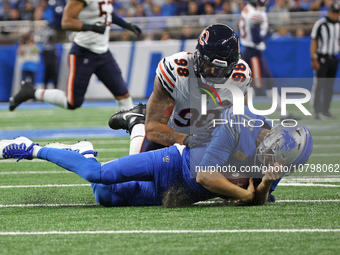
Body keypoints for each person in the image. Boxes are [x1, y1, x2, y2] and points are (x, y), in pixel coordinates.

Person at [0, 106, 314, 207]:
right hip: (174, 160)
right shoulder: (241, 124)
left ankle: (84, 150)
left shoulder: (276, 160)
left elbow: (257, 201)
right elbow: (207, 175)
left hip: (182, 192)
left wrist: (262, 186)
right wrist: (244, 193)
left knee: (105, 197)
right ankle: (31, 148)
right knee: (100, 175)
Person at [109, 24, 252, 155]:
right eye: (210, 67)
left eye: (223, 71)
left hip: (206, 138)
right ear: (198, 56)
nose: (215, 75)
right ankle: (137, 122)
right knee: (138, 179)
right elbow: (153, 128)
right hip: (170, 133)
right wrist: (187, 140)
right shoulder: (176, 70)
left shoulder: (241, 77)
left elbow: (239, 124)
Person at [9, 0, 142, 112]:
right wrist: (91, 27)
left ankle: (134, 133)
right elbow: (66, 22)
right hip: (83, 52)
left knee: (123, 95)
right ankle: (31, 92)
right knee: (72, 102)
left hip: (103, 52)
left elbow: (105, 12)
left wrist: (125, 24)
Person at [310, 2, 340, 120]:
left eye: (337, 13)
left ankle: (325, 111)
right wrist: (314, 58)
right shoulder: (321, 24)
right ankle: (317, 111)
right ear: (329, 12)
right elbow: (314, 42)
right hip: (322, 57)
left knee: (329, 86)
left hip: (334, 58)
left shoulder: (338, 24)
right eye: (334, 13)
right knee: (320, 84)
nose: (335, 15)